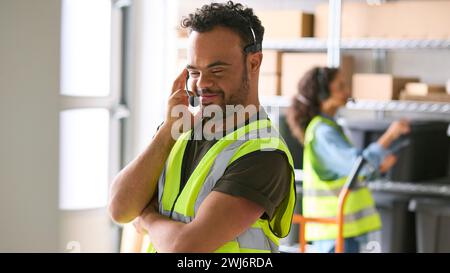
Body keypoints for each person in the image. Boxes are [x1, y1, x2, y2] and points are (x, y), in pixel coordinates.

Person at [108, 1, 296, 253]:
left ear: (253, 63)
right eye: (194, 72)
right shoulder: (178, 132)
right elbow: (120, 209)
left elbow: (185, 247)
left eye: (216, 70)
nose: (202, 84)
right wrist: (167, 132)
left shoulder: (263, 153)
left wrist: (147, 217)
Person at [287, 67, 410, 253]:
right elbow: (356, 166)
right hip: (334, 233)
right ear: (322, 94)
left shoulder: (327, 127)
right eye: (340, 86)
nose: (348, 92)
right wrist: (390, 136)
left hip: (338, 231)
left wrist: (377, 168)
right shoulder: (323, 132)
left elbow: (346, 173)